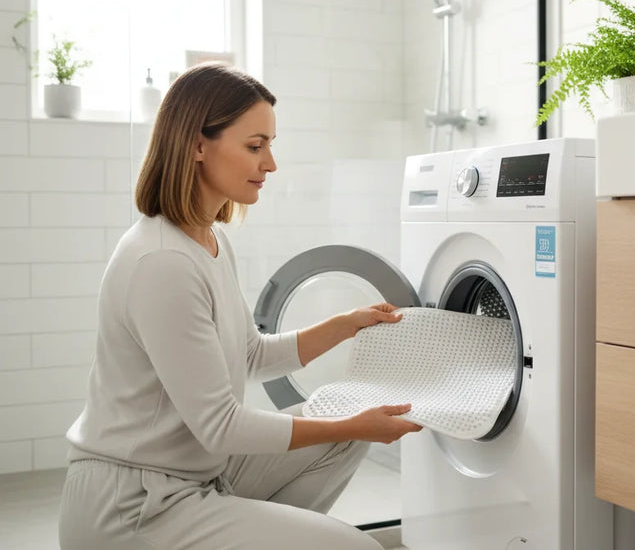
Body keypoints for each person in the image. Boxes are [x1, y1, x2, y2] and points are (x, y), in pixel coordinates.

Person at [57, 62, 421, 549]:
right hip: (133, 505)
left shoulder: (208, 240)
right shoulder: (163, 262)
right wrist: (357, 424)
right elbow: (221, 425)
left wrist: (346, 324)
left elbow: (250, 356)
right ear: (197, 145)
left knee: (342, 431)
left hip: (193, 475)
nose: (270, 164)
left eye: (269, 145)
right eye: (255, 146)